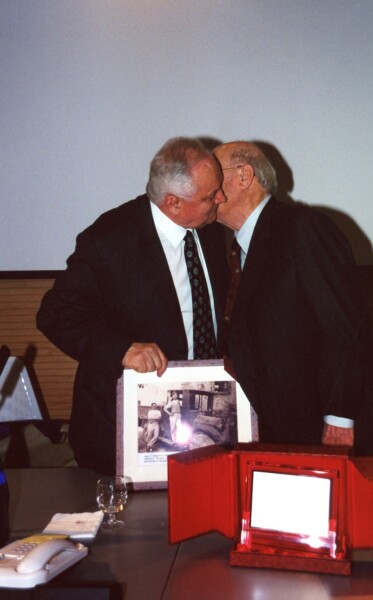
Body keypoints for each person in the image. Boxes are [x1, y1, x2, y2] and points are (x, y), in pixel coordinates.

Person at [37, 137, 227, 473]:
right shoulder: (108, 240)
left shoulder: (209, 229)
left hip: (197, 426)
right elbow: (56, 314)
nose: (221, 199)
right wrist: (122, 349)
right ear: (173, 203)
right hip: (120, 430)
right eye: (210, 195)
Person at [214, 140, 373, 459]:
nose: (206, 186)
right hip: (284, 430)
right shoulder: (236, 248)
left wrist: (340, 418)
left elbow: (347, 329)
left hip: (328, 430)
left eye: (214, 174)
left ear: (244, 175)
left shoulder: (303, 228)